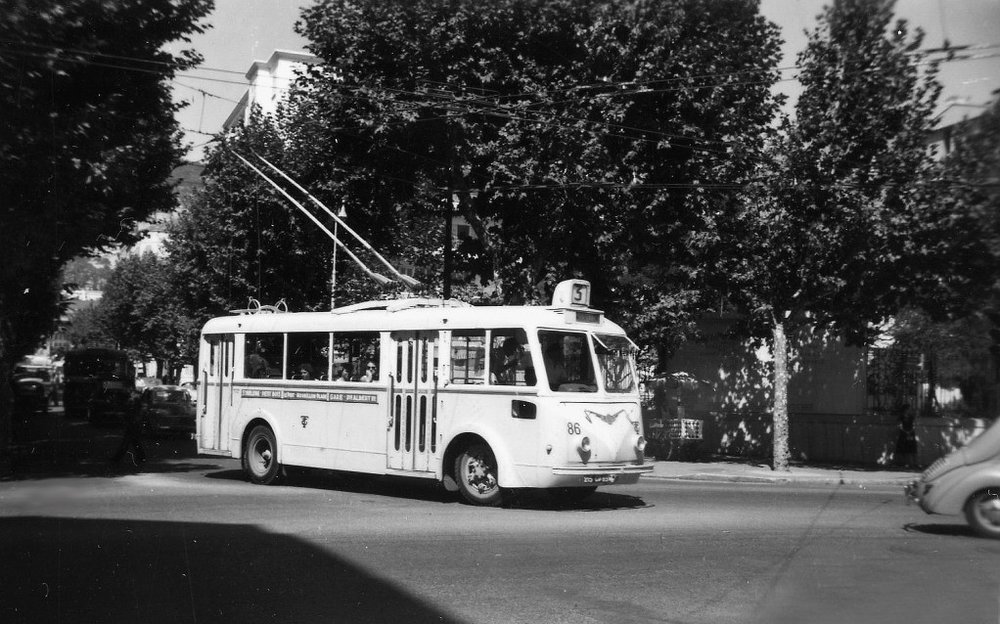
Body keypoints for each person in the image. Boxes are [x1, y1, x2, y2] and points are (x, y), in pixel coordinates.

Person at [111, 393, 146, 468]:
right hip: (134, 424)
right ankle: (142, 457)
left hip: (133, 424)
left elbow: (131, 413)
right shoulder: (136, 402)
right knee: (135, 441)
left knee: (127, 442)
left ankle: (117, 458)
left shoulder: (133, 402)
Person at [895, 403, 918, 468]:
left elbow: (914, 425)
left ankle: (914, 464)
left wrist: (910, 431)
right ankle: (904, 463)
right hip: (903, 434)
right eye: (909, 409)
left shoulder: (911, 417)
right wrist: (906, 432)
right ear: (905, 409)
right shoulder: (901, 417)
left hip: (910, 434)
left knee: (912, 449)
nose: (910, 410)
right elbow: (900, 425)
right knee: (903, 449)